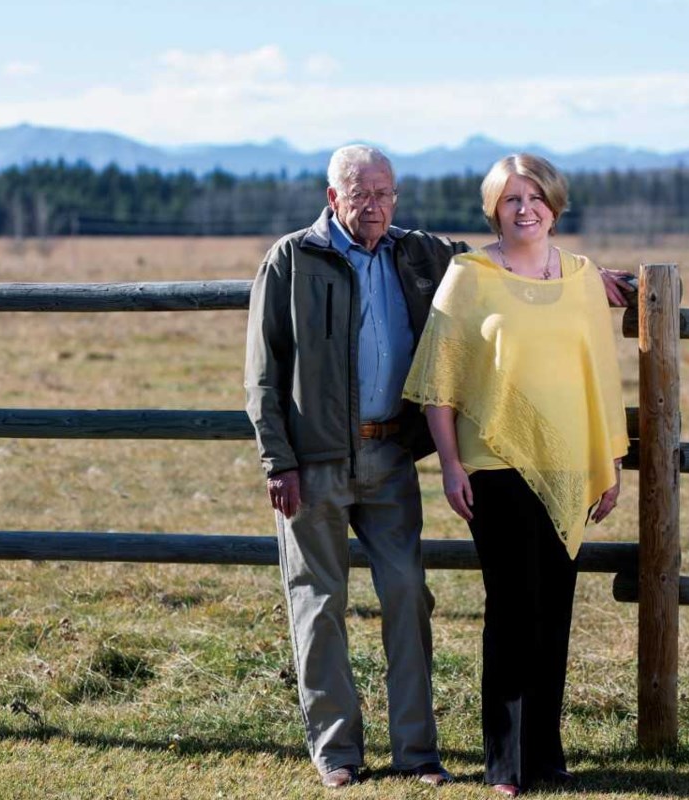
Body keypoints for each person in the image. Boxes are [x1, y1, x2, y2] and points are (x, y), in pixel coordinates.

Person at [244, 144, 630, 789]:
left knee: (407, 598)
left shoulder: (415, 251)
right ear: (332, 196)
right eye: (360, 193)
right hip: (313, 460)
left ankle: (416, 753)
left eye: (386, 192)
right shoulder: (293, 257)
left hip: (390, 453)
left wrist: (596, 278)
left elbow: (508, 254)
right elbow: (263, 370)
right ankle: (338, 752)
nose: (375, 205)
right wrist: (277, 461)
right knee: (319, 603)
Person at [402, 153, 629, 796]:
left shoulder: (583, 277)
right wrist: (449, 466)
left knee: (554, 610)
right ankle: (506, 766)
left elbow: (600, 375)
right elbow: (439, 385)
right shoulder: (469, 276)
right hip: (494, 464)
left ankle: (547, 758)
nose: (524, 209)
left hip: (568, 464)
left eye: (535, 197)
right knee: (510, 609)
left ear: (555, 204)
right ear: (493, 209)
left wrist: (607, 461)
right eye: (510, 200)